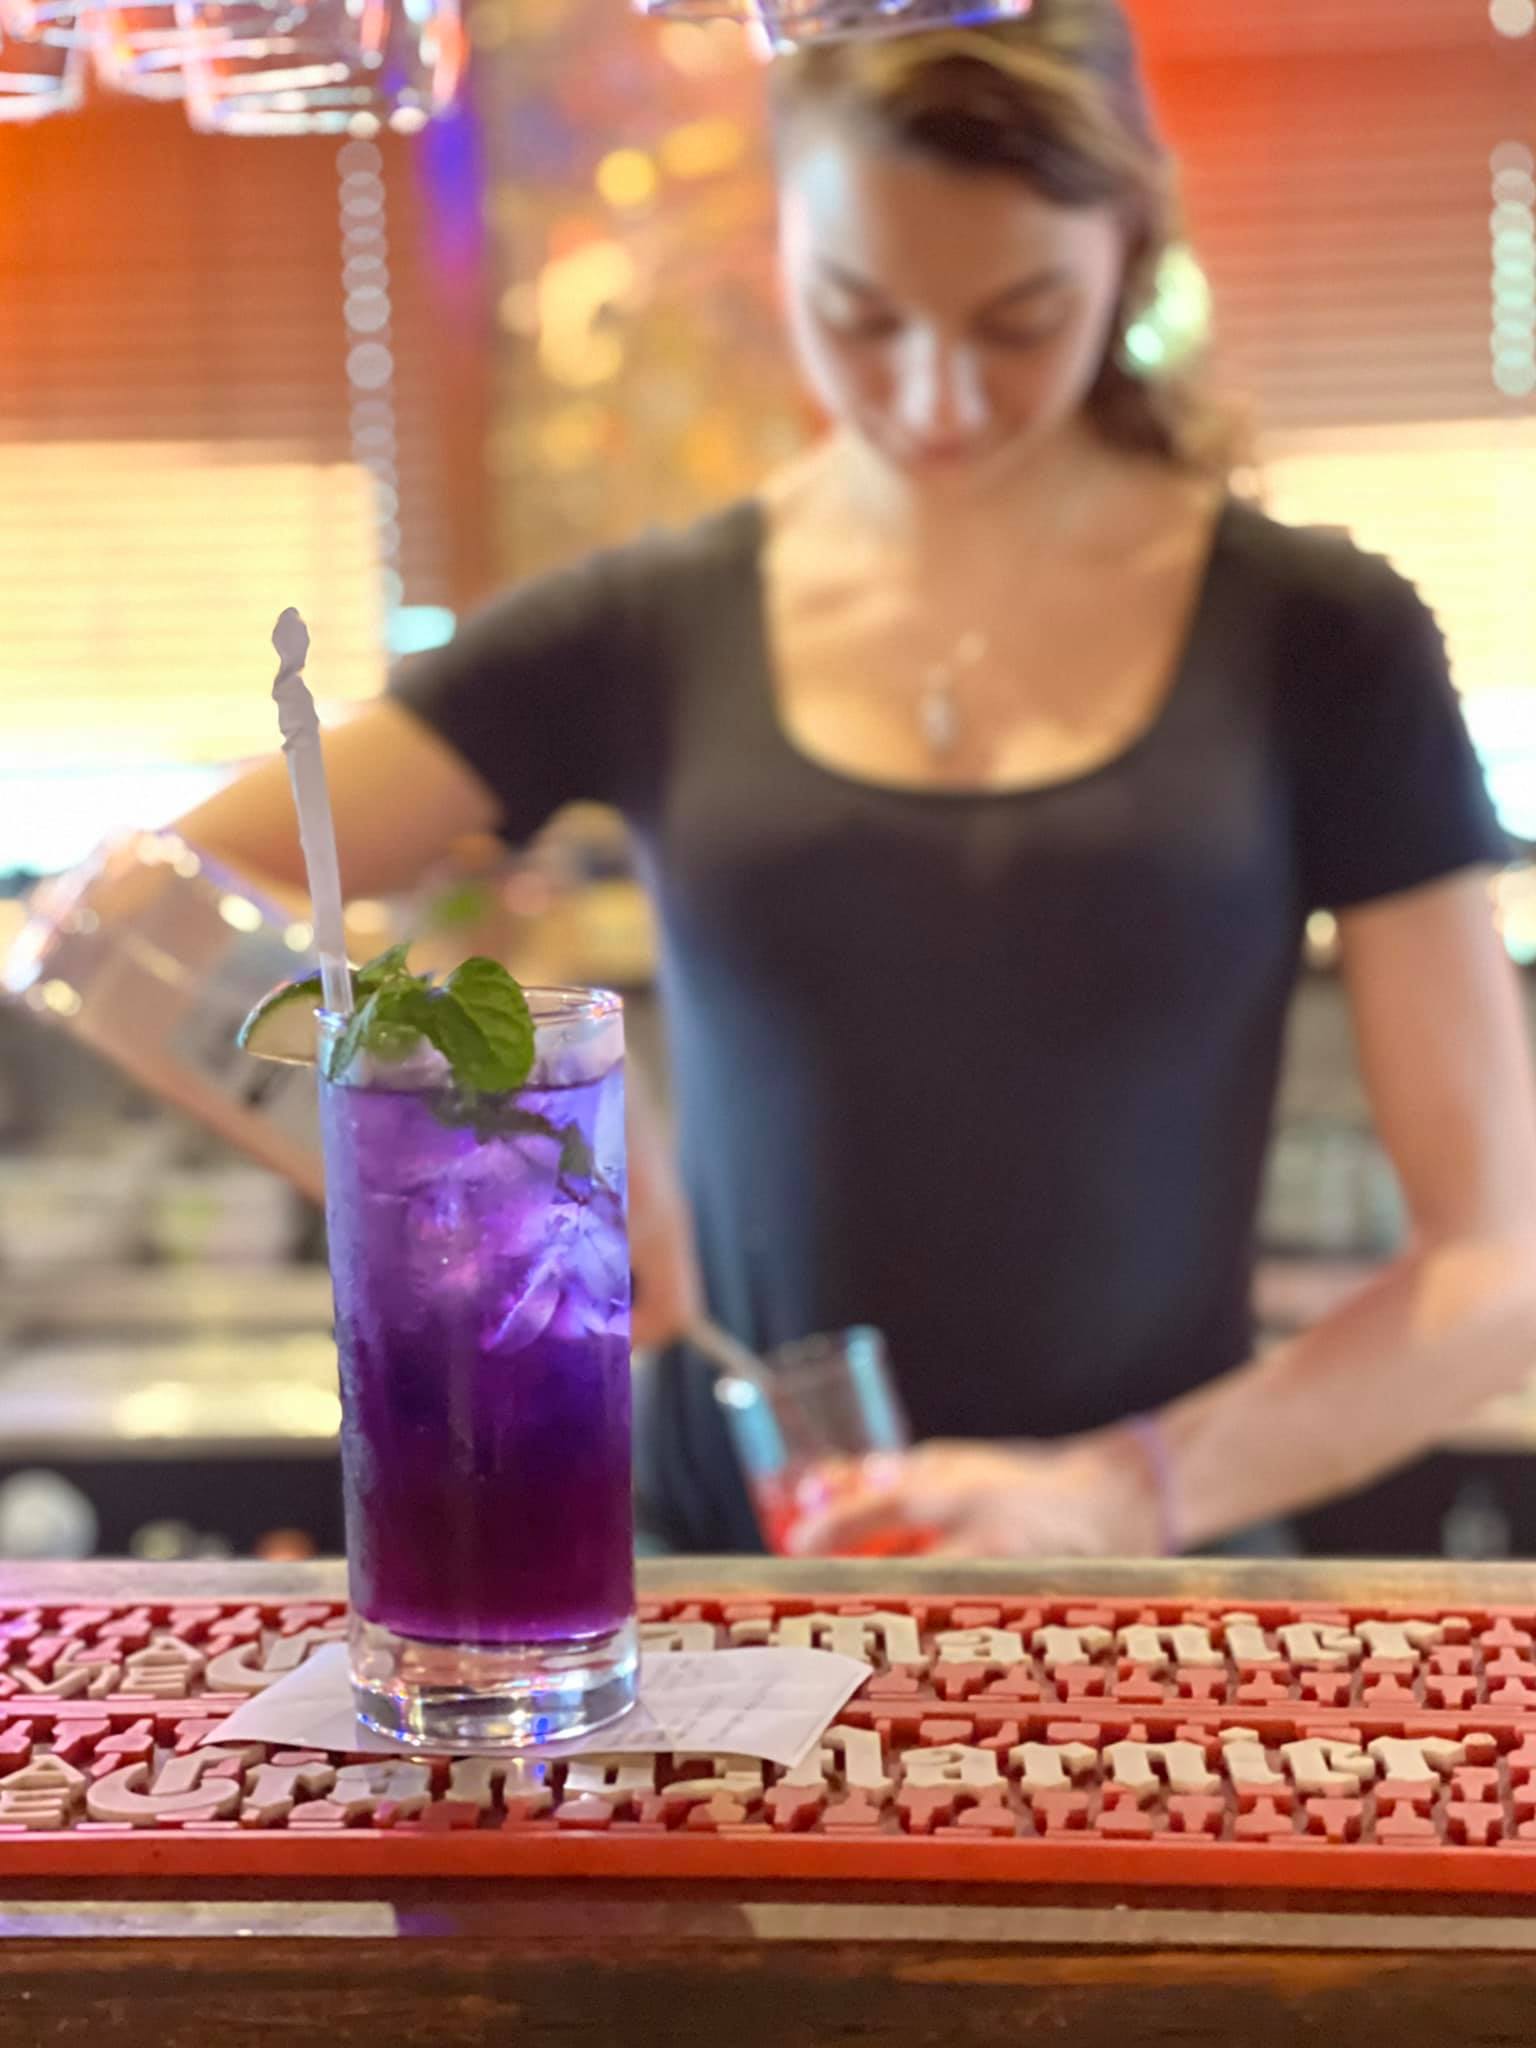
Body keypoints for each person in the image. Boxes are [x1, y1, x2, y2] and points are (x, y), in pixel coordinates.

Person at [175, 0, 1536, 1559]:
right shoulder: (644, 625)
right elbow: (140, 912)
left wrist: (1115, 1491)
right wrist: (493, 1127)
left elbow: (1493, 1269)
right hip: (727, 1592)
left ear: (1129, 252)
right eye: (863, 315)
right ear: (785, 254)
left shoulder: (1321, 636)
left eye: (1018, 319)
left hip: (1144, 1588)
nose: (935, 397)